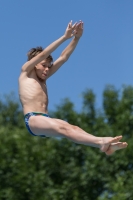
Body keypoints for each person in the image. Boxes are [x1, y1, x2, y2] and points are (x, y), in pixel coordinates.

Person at [19, 20, 127, 155]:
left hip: (44, 119)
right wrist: (65, 37)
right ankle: (101, 142)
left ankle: (104, 143)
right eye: (43, 66)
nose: (47, 69)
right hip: (33, 119)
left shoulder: (43, 78)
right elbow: (43, 54)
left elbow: (63, 57)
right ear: (34, 64)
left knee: (71, 127)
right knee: (64, 128)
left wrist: (77, 38)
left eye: (49, 66)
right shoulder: (26, 72)